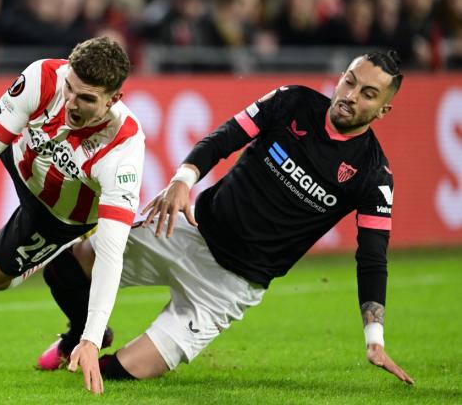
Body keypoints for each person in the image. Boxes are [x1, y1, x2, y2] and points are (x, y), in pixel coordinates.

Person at [39, 50, 414, 387]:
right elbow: (224, 138)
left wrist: (374, 339)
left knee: (118, 373)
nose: (350, 95)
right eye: (350, 80)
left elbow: (372, 257)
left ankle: (98, 352)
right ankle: (81, 335)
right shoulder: (293, 102)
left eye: (368, 93)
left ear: (383, 109)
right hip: (188, 231)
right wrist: (182, 180)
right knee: (63, 268)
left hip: (229, 286)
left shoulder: (373, 175)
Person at [0, 36, 144, 395]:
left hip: (58, 217)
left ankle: (55, 269)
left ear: (114, 99)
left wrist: (91, 339)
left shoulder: (124, 147)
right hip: (22, 165)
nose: (71, 103)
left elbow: (111, 254)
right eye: (71, 88)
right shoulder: (43, 77)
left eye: (86, 98)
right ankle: (39, 259)